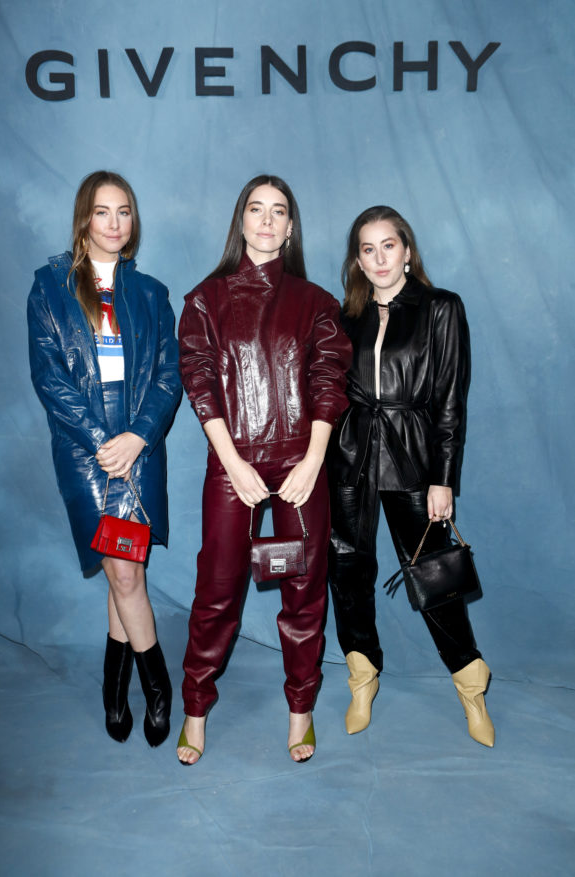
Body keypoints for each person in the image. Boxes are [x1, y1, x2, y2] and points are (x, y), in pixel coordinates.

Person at [177, 174, 352, 764]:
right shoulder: (205, 300)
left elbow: (328, 382)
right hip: (234, 465)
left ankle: (301, 709)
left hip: (302, 464)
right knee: (218, 586)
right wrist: (234, 463)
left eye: (279, 211)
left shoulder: (316, 302)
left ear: (291, 227)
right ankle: (196, 708)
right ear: (241, 220)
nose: (268, 220)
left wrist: (313, 460)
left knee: (304, 589)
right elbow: (200, 382)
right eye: (257, 209)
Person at [327, 206, 494, 747]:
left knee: (433, 573)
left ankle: (470, 683)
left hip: (413, 455)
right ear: (358, 260)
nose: (379, 258)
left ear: (406, 251)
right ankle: (362, 676)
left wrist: (443, 478)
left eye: (388, 245)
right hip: (350, 452)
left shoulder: (441, 307)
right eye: (367, 249)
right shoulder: (345, 316)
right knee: (346, 568)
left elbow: (450, 401)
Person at [27, 171, 182, 747]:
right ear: (84, 219)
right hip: (84, 449)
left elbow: (169, 376)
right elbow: (50, 378)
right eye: (102, 212)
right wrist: (100, 440)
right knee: (123, 571)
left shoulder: (152, 293)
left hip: (139, 446)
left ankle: (115, 688)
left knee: (127, 571)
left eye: (124, 212)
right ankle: (160, 687)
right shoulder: (50, 287)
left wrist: (138, 436)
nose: (114, 223)